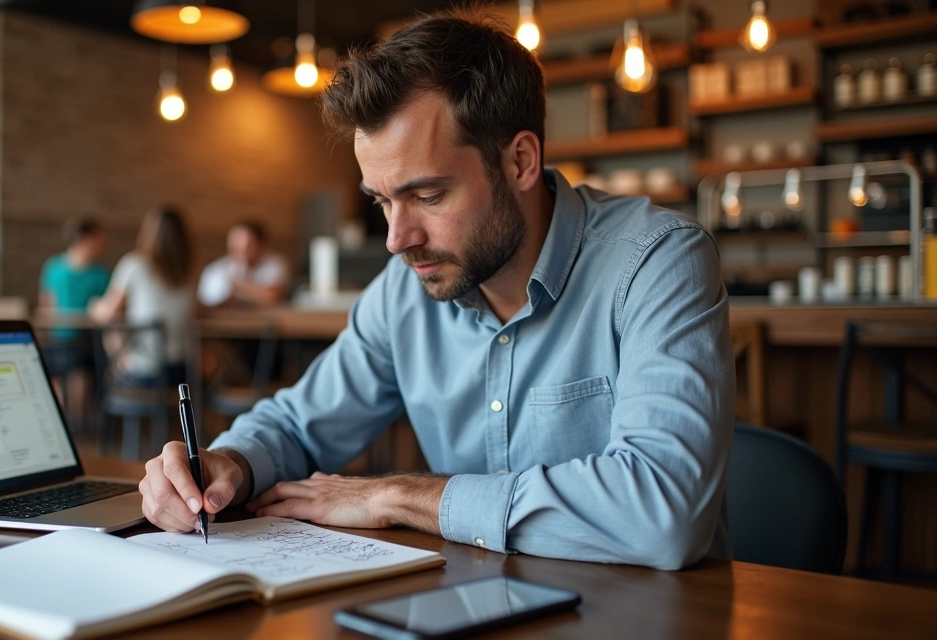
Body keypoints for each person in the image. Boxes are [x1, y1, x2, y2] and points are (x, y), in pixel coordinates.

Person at [138, 12, 734, 571]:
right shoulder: (403, 294)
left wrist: (403, 496)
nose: (397, 240)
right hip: (466, 606)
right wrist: (226, 465)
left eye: (427, 196)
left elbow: (664, 513)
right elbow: (297, 426)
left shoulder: (657, 262)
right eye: (381, 201)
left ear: (520, 161)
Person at [91, 207, 194, 387]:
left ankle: (102, 409)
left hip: (145, 373)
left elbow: (107, 313)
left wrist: (93, 306)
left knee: (111, 332)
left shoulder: (134, 263)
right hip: (183, 370)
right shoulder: (188, 272)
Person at [38, 217, 111, 411]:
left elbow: (104, 312)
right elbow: (46, 308)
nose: (104, 243)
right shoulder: (53, 268)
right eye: (99, 238)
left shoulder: (100, 274)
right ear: (84, 239)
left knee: (81, 359)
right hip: (55, 340)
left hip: (84, 341)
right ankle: (63, 417)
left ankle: (77, 419)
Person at [197, 221, 289, 307]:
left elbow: (272, 297)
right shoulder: (215, 270)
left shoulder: (275, 264)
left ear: (262, 245)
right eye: (236, 246)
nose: (242, 251)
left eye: (249, 246)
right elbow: (205, 305)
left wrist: (235, 287)